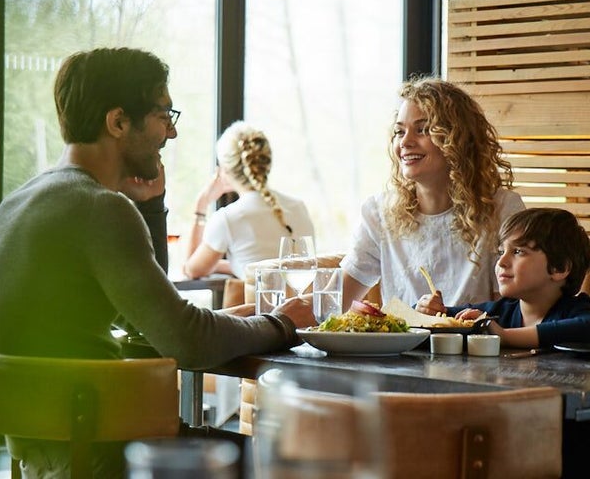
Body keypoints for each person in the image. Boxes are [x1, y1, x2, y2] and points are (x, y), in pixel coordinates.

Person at [0, 47, 316, 478]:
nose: (170, 134)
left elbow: (145, 323)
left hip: (48, 449)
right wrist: (281, 323)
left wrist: (152, 206)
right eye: (163, 115)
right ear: (118, 122)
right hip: (99, 451)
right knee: (299, 454)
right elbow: (186, 340)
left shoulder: (26, 199)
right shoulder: (98, 208)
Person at [340, 78, 525, 308]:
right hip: (400, 345)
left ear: (456, 140)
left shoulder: (503, 208)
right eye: (399, 131)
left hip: (474, 344)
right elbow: (334, 302)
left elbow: (510, 313)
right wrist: (283, 320)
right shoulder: (379, 212)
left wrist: (448, 316)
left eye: (423, 130)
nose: (405, 142)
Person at [416, 208, 590, 349]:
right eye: (501, 252)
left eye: (518, 252)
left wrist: (503, 336)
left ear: (559, 268)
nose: (501, 261)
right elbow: (443, 318)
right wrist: (424, 310)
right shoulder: (497, 313)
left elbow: (584, 326)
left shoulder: (579, 312)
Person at [183, 120, 315, 279]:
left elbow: (191, 270)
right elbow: (281, 268)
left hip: (261, 304)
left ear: (225, 170)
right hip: (305, 304)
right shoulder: (298, 207)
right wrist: (234, 265)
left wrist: (201, 204)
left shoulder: (227, 218)